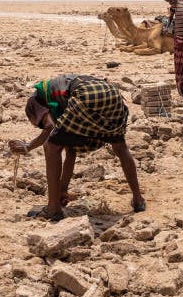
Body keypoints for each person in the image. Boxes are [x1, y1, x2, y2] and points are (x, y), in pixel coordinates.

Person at [9, 74, 145, 221]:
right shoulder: (61, 95)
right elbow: (70, 151)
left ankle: (53, 208)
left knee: (51, 147)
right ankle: (138, 200)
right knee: (120, 147)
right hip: (113, 95)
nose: (42, 124)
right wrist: (63, 189)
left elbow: (49, 130)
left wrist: (28, 146)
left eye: (39, 122)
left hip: (88, 94)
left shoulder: (39, 99)